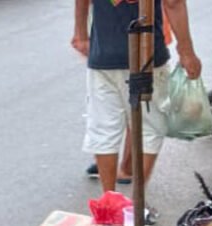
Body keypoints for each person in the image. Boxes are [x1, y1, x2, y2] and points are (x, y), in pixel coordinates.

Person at [73, 0, 201, 194]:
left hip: (103, 56)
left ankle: (109, 201)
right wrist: (186, 51)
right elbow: (173, 3)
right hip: (146, 57)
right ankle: (136, 205)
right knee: (150, 128)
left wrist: (81, 34)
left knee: (104, 128)